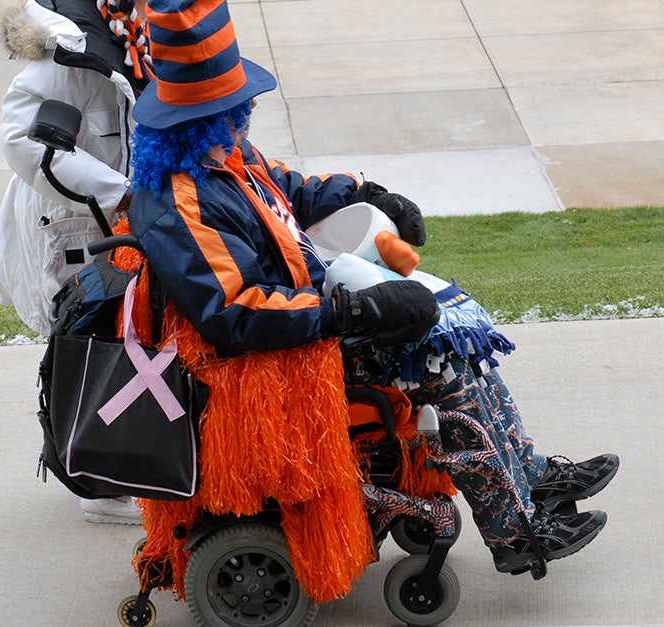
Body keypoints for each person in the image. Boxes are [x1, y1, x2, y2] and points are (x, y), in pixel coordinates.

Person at [126, 0, 618, 576]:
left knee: (454, 338)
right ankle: (515, 533)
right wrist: (353, 310)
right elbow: (234, 314)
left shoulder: (222, 155)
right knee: (439, 361)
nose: (251, 107)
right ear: (208, 113)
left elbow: (292, 190)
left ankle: (530, 475)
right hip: (265, 359)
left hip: (307, 323)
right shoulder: (177, 205)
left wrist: (372, 193)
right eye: (240, 103)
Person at [0, 0, 154, 525]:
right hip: (75, 229)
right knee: (88, 346)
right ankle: (99, 485)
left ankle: (125, 467)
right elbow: (24, 141)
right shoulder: (67, 56)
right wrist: (118, 193)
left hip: (117, 222)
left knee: (127, 343)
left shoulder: (138, 45)